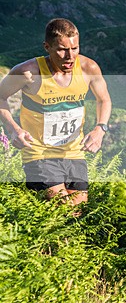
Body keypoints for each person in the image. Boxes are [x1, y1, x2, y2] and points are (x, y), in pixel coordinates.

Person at [0, 18, 112, 206]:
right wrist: (13, 129)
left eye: (75, 48)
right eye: (62, 49)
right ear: (47, 47)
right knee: (62, 209)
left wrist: (100, 129)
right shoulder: (28, 72)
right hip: (39, 154)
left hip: (74, 153)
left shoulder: (88, 68)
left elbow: (104, 99)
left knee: (78, 213)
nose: (70, 56)